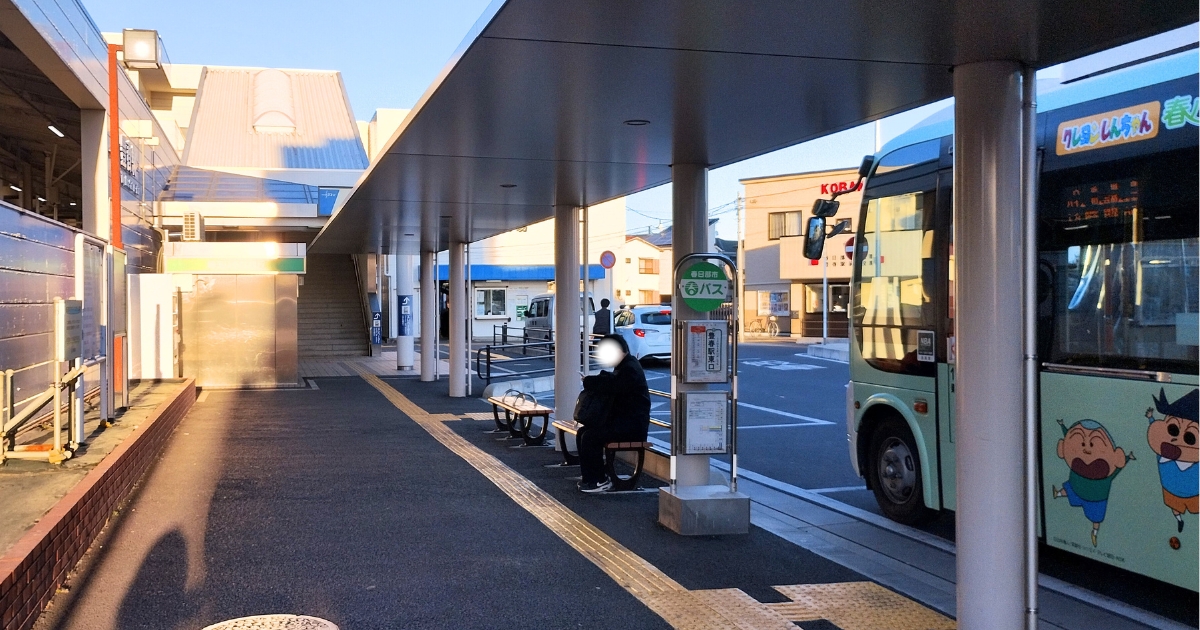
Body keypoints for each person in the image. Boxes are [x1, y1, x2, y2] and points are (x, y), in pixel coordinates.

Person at [577, 334, 651, 493]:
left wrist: (589, 381)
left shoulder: (630, 368)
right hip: (624, 423)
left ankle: (600, 480)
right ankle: (590, 477)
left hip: (632, 427)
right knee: (583, 432)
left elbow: (613, 385)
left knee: (590, 436)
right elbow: (611, 383)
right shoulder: (626, 365)